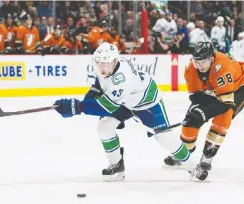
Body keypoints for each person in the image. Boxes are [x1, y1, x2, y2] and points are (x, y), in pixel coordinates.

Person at [53, 42, 208, 182]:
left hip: (148, 103)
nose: (101, 67)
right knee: (104, 126)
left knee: (164, 137)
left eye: (105, 64)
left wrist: (76, 107)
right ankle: (116, 166)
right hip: (126, 102)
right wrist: (87, 100)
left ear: (114, 62)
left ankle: (193, 166)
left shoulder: (122, 78)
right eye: (99, 63)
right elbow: (98, 87)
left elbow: (106, 107)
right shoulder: (107, 68)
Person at [164, 41, 244, 170]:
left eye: (203, 62)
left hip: (237, 90)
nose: (199, 66)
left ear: (211, 58)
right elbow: (196, 97)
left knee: (222, 120)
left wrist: (204, 114)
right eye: (196, 61)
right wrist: (197, 114)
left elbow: (224, 103)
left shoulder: (223, 67)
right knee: (191, 119)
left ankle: (207, 156)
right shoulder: (190, 70)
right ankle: (184, 153)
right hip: (211, 90)